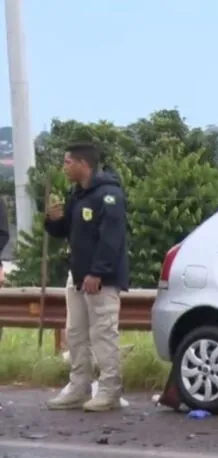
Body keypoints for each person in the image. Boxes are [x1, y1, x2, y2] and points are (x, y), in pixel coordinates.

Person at [44, 143, 130, 412]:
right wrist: (53, 220)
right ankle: (78, 386)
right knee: (76, 333)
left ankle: (109, 390)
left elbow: (112, 238)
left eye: (68, 162)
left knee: (103, 333)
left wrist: (97, 272)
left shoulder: (109, 195)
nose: (64, 167)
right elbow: (64, 230)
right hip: (78, 275)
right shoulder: (77, 195)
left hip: (100, 279)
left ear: (84, 164)